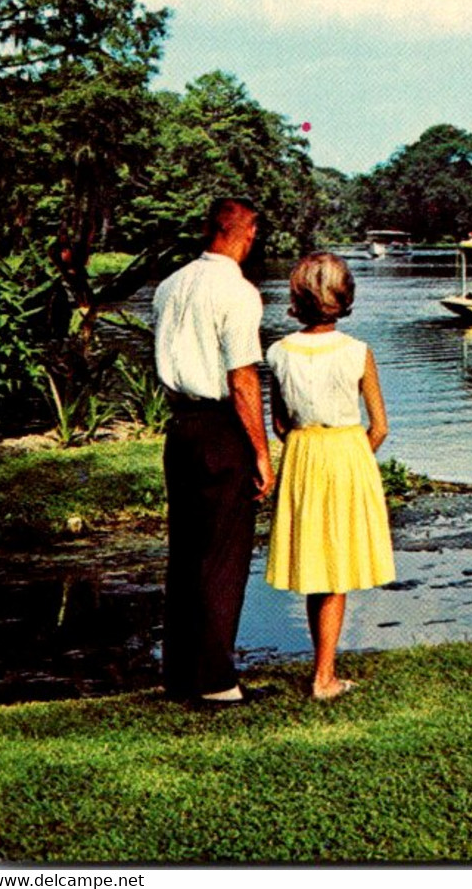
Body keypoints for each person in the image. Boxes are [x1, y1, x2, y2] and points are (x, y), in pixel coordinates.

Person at [153, 196, 273, 706]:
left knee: (186, 554)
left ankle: (181, 672)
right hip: (220, 427)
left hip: (179, 427)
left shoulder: (170, 285)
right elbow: (243, 379)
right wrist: (262, 453)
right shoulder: (239, 293)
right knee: (224, 556)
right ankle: (218, 681)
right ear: (244, 235)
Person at [264, 253, 395, 701]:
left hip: (302, 455)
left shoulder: (278, 353)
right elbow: (378, 426)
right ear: (345, 297)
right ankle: (324, 678)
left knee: (316, 567)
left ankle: (323, 668)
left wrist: (307, 447)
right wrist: (355, 457)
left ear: (297, 299)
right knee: (336, 569)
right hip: (345, 453)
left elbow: (280, 425)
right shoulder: (358, 352)